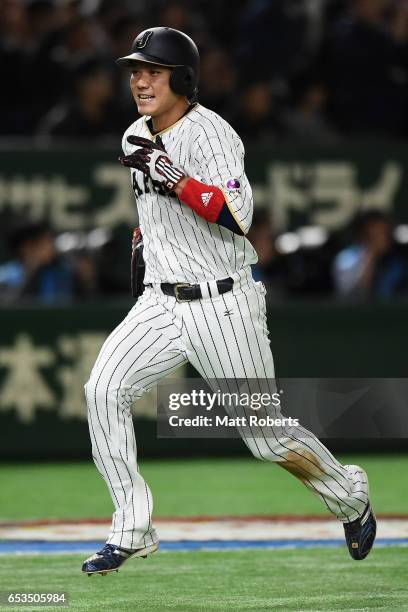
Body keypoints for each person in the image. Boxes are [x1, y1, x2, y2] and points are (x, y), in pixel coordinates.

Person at [81, 27, 376, 576]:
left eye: (152, 71)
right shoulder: (132, 137)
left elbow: (237, 216)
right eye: (134, 72)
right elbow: (152, 226)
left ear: (182, 78)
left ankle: (350, 495)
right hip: (160, 303)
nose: (140, 81)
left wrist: (171, 176)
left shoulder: (213, 134)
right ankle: (132, 528)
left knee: (267, 440)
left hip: (224, 305)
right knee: (103, 389)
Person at [333, 210, 408, 300]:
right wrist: (372, 254)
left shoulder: (397, 260)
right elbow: (353, 293)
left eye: (384, 231)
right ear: (364, 232)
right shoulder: (346, 258)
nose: (383, 236)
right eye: (377, 231)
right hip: (356, 312)